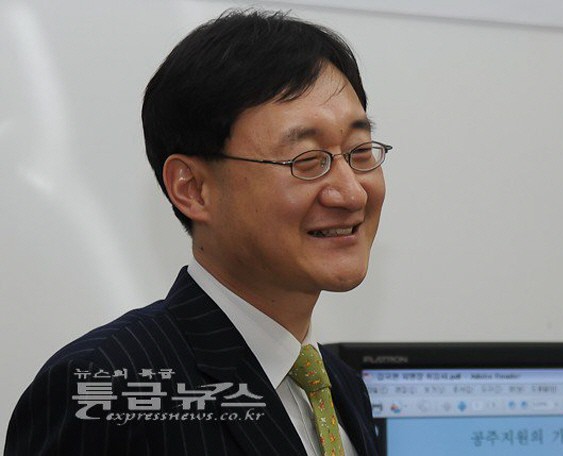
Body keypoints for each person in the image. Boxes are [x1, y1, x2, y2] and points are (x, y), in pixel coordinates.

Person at [5, 9, 390, 456]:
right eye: (306, 160)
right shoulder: (109, 388)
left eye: (360, 152)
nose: (351, 192)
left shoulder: (342, 387)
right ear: (193, 189)